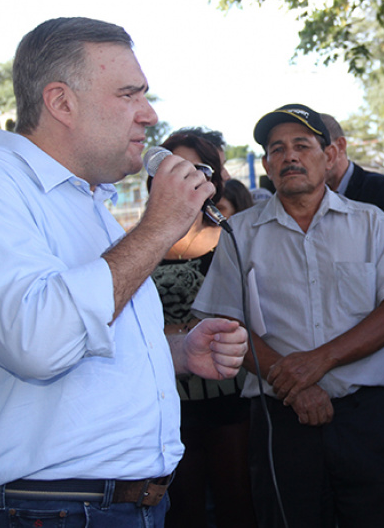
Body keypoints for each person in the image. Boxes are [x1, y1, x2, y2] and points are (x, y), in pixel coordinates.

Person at [0, 17, 247, 526]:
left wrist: (179, 352)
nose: (148, 115)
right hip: (47, 509)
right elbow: (36, 342)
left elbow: (90, 333)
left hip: (117, 505)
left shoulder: (87, 198)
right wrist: (158, 228)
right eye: (129, 95)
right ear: (61, 103)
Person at [192, 103, 384, 528]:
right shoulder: (239, 233)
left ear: (330, 155)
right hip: (280, 418)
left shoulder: (370, 222)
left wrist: (320, 361)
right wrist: (293, 385)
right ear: (266, 164)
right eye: (277, 149)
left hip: (364, 417)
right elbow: (228, 325)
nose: (290, 156)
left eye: (302, 145)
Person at [149, 131, 257, 528]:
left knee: (237, 502)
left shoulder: (232, 238)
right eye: (172, 166)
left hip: (227, 396)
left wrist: (169, 331)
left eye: (197, 168)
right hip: (165, 401)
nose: (184, 176)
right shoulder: (138, 243)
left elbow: (242, 317)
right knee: (182, 508)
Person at [322, 113, 384, 217]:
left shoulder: (383, 191)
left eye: (304, 147)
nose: (298, 158)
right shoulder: (305, 196)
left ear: (340, 146)